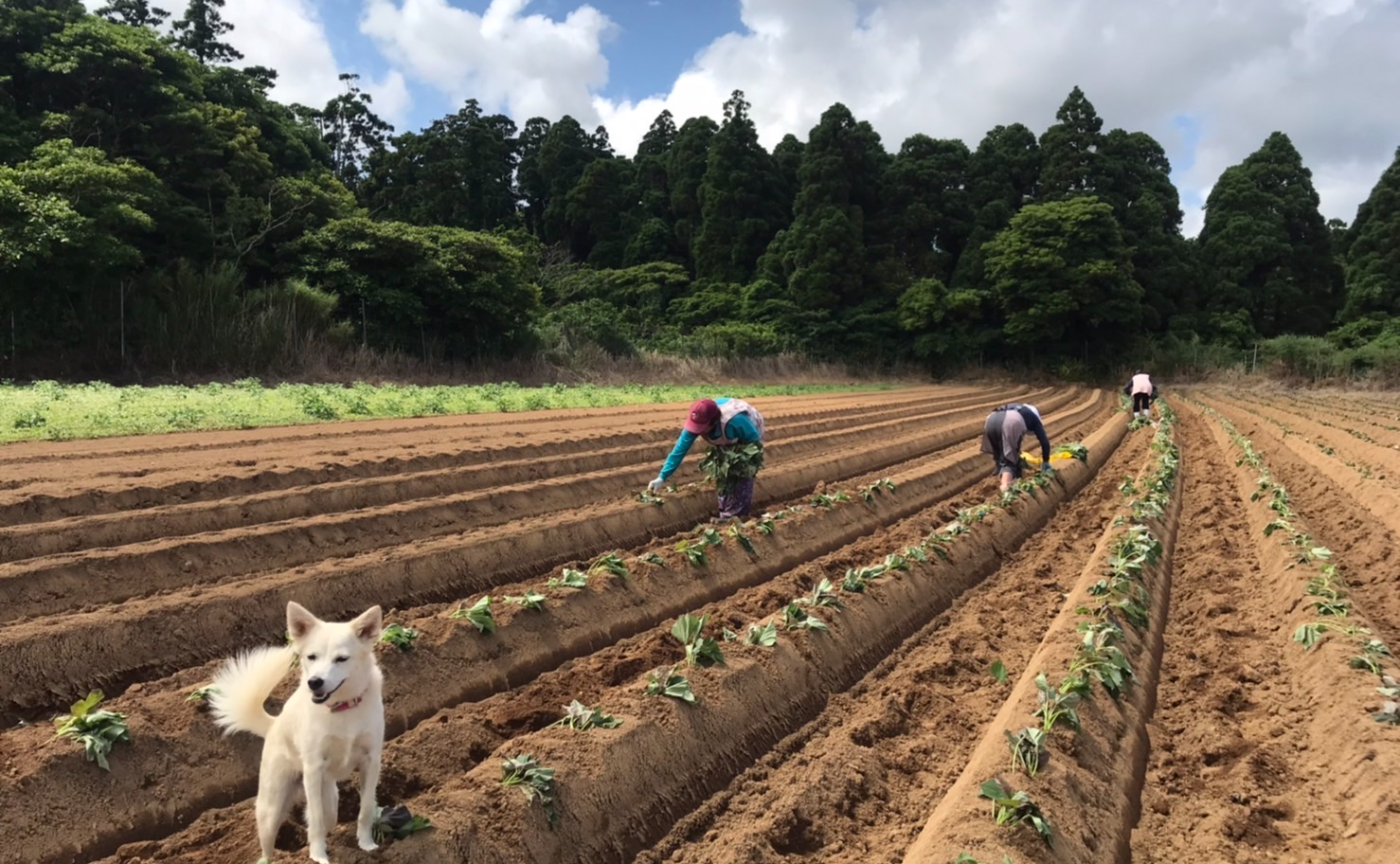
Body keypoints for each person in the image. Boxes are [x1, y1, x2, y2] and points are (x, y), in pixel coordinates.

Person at [647, 397, 766, 519]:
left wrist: (749, 464)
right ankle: (725, 514)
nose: (697, 431)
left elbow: (755, 444)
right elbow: (679, 450)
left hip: (749, 433)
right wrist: (662, 477)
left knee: (742, 475)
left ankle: (739, 515)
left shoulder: (735, 421)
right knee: (723, 472)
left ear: (713, 422)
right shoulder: (698, 419)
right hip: (725, 432)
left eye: (701, 427)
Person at [981, 403, 1051, 492]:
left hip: (990, 419)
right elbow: (1044, 441)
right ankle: (1005, 487)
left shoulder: (1018, 409)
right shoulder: (1033, 418)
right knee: (1010, 459)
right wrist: (1046, 461)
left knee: (999, 457)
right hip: (1010, 421)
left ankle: (998, 480)